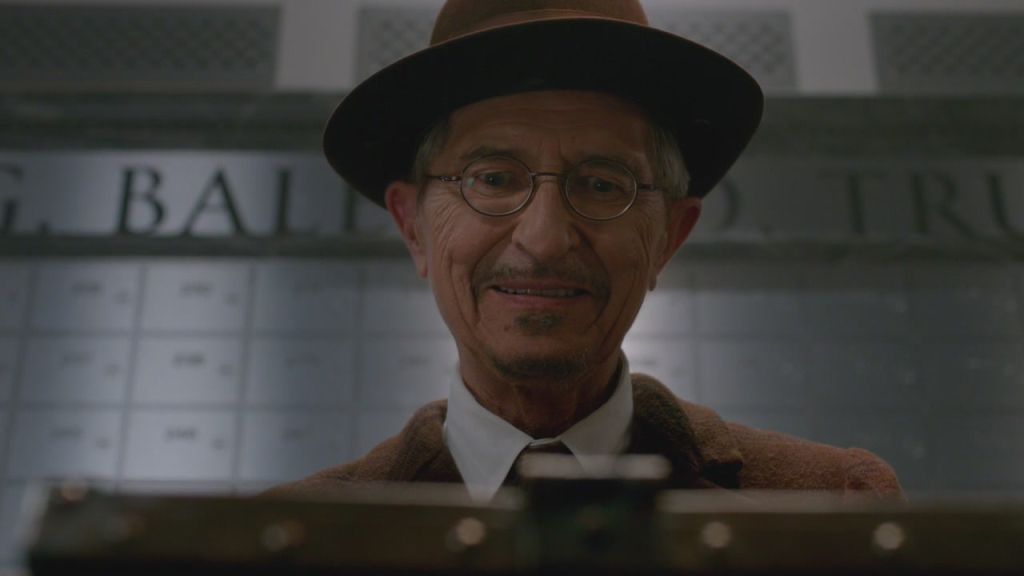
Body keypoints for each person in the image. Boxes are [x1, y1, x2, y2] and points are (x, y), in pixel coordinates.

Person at [268, 0, 902, 500]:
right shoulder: (286, 540)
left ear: (668, 238)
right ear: (413, 228)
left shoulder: (834, 505)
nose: (544, 238)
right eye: (494, 178)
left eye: (602, 185)